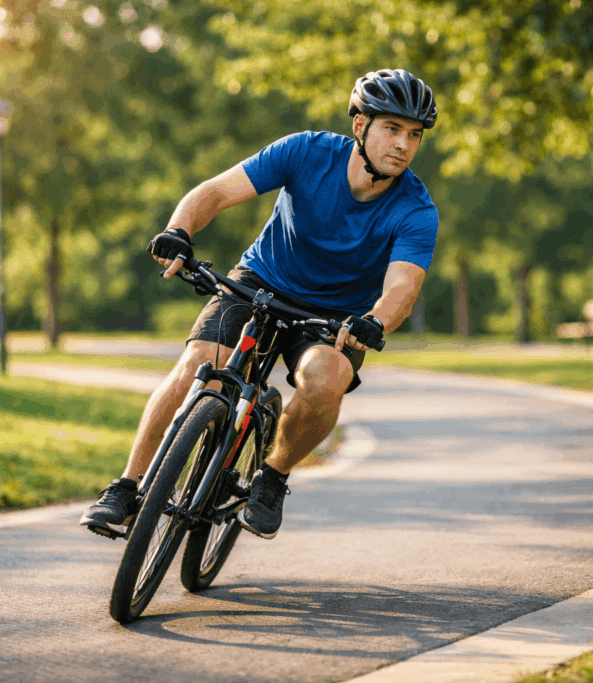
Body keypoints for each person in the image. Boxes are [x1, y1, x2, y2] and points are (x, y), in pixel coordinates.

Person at [80, 69, 439, 540]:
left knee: (326, 380)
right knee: (198, 364)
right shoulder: (306, 152)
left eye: (414, 135)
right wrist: (179, 230)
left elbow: (402, 289)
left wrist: (376, 320)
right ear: (360, 126)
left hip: (337, 317)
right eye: (392, 129)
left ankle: (272, 478)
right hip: (262, 281)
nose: (403, 145)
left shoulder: (415, 209)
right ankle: (127, 487)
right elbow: (216, 192)